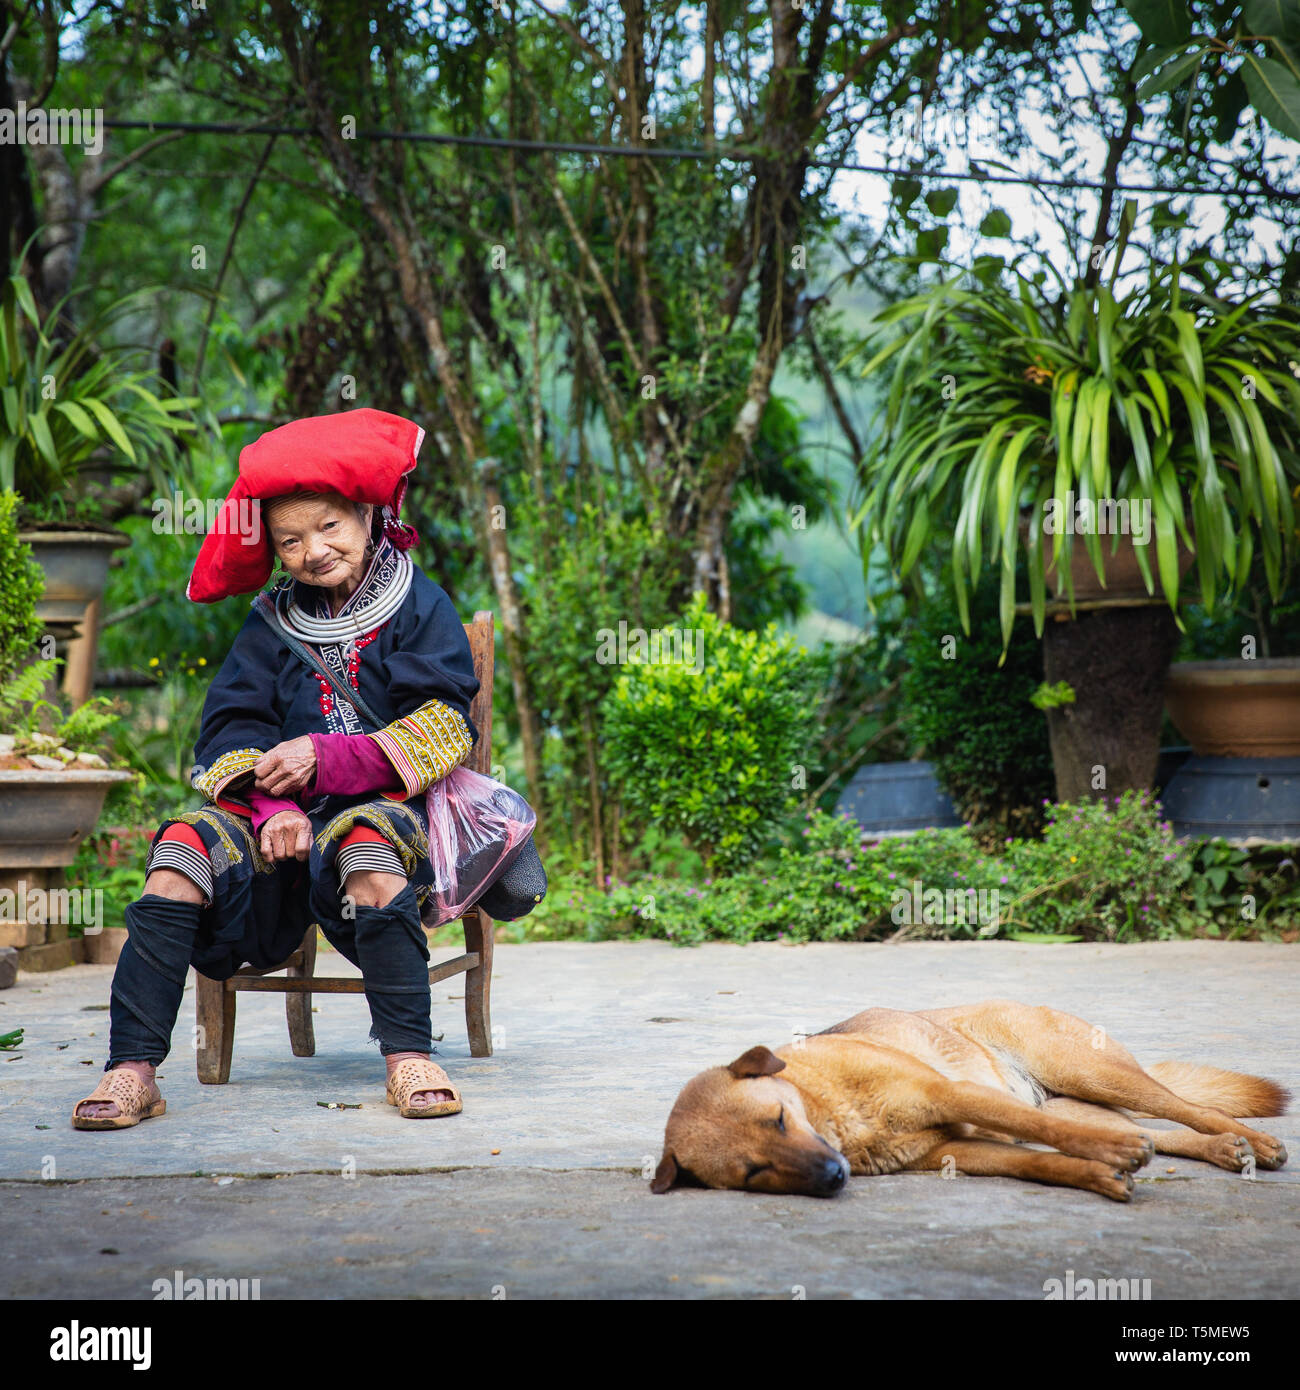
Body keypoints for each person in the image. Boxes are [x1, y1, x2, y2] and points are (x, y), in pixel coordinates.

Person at [72, 409, 545, 1129]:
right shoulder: (270, 622)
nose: (312, 552)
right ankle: (132, 1069)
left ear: (367, 515)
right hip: (277, 828)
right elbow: (229, 734)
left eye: (328, 527)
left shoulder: (421, 607)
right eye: (290, 540)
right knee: (178, 853)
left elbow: (443, 730)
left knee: (368, 843)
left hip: (386, 811)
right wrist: (275, 809)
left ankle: (408, 1056)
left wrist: (322, 757)